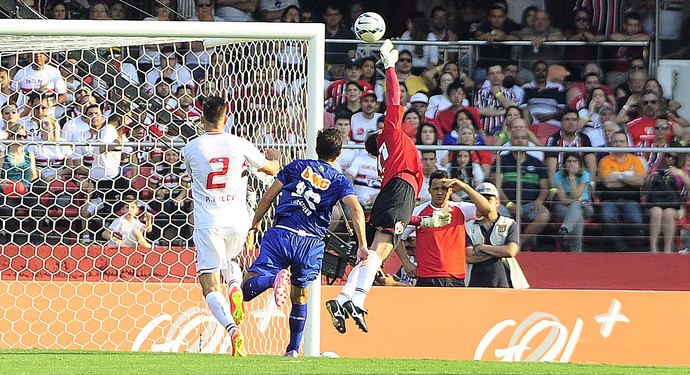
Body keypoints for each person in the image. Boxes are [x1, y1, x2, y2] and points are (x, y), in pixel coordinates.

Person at [326, 40, 445, 334]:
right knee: (381, 251)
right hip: (400, 189)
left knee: (374, 252)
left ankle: (343, 298)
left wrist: (418, 218)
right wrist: (389, 66)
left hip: (390, 193)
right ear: (380, 133)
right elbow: (394, 99)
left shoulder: (386, 151)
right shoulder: (390, 134)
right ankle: (358, 299)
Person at [241, 128, 368, 357]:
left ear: (316, 148)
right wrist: (362, 244)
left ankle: (272, 281)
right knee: (300, 295)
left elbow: (269, 196)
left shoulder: (297, 167)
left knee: (247, 288)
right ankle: (292, 350)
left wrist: (255, 222)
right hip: (310, 243)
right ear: (338, 154)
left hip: (282, 234)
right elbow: (356, 209)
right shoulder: (339, 181)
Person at [181, 96, 280, 357]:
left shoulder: (191, 148)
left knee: (210, 286)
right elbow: (270, 170)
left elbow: (192, 177)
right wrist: (276, 159)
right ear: (226, 118)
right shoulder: (239, 144)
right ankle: (235, 286)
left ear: (201, 119)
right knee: (230, 259)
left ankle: (232, 330)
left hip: (208, 222)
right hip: (239, 221)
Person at [396, 171, 490, 287]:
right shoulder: (418, 211)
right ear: (429, 190)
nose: (440, 193)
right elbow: (397, 234)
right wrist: (406, 262)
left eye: (444, 189)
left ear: (450, 190)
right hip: (427, 276)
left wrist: (464, 187)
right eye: (436, 189)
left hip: (455, 276)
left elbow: (486, 209)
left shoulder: (460, 208)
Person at [465, 182, 521, 287]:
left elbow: (510, 251)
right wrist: (499, 251)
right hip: (473, 284)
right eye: (481, 199)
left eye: (489, 199)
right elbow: (469, 256)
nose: (485, 202)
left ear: (497, 202)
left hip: (505, 284)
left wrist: (481, 247)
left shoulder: (509, 224)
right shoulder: (468, 226)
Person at [553, 152, 593, 252]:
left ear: (580, 164)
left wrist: (572, 177)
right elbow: (563, 199)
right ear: (564, 164)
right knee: (578, 217)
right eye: (569, 161)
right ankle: (576, 250)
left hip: (585, 208)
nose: (571, 164)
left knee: (578, 206)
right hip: (564, 206)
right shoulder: (558, 175)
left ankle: (565, 228)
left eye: (575, 161)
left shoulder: (585, 175)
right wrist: (578, 200)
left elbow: (576, 194)